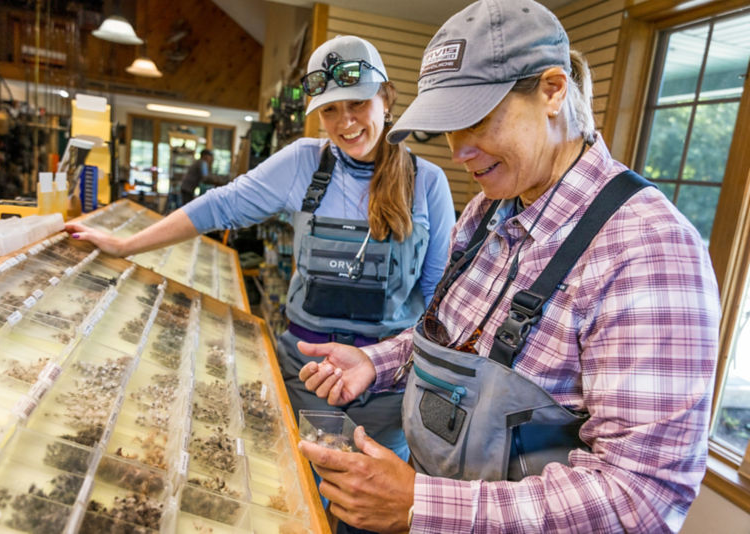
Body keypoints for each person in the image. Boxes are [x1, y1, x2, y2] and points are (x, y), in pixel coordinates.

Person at [297, 1, 721, 533]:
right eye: (445, 129)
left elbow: (641, 499)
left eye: (475, 119)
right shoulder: (487, 210)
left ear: (552, 89)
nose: (458, 151)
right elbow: (459, 343)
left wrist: (420, 507)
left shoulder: (646, 248)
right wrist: (377, 363)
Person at [65, 35, 455, 472]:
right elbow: (220, 205)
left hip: (387, 388)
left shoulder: (428, 182)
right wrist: (125, 244)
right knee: (309, 493)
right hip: (308, 375)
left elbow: (438, 299)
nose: (345, 122)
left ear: (385, 98)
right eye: (330, 109)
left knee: (370, 506)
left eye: (358, 104)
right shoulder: (304, 163)